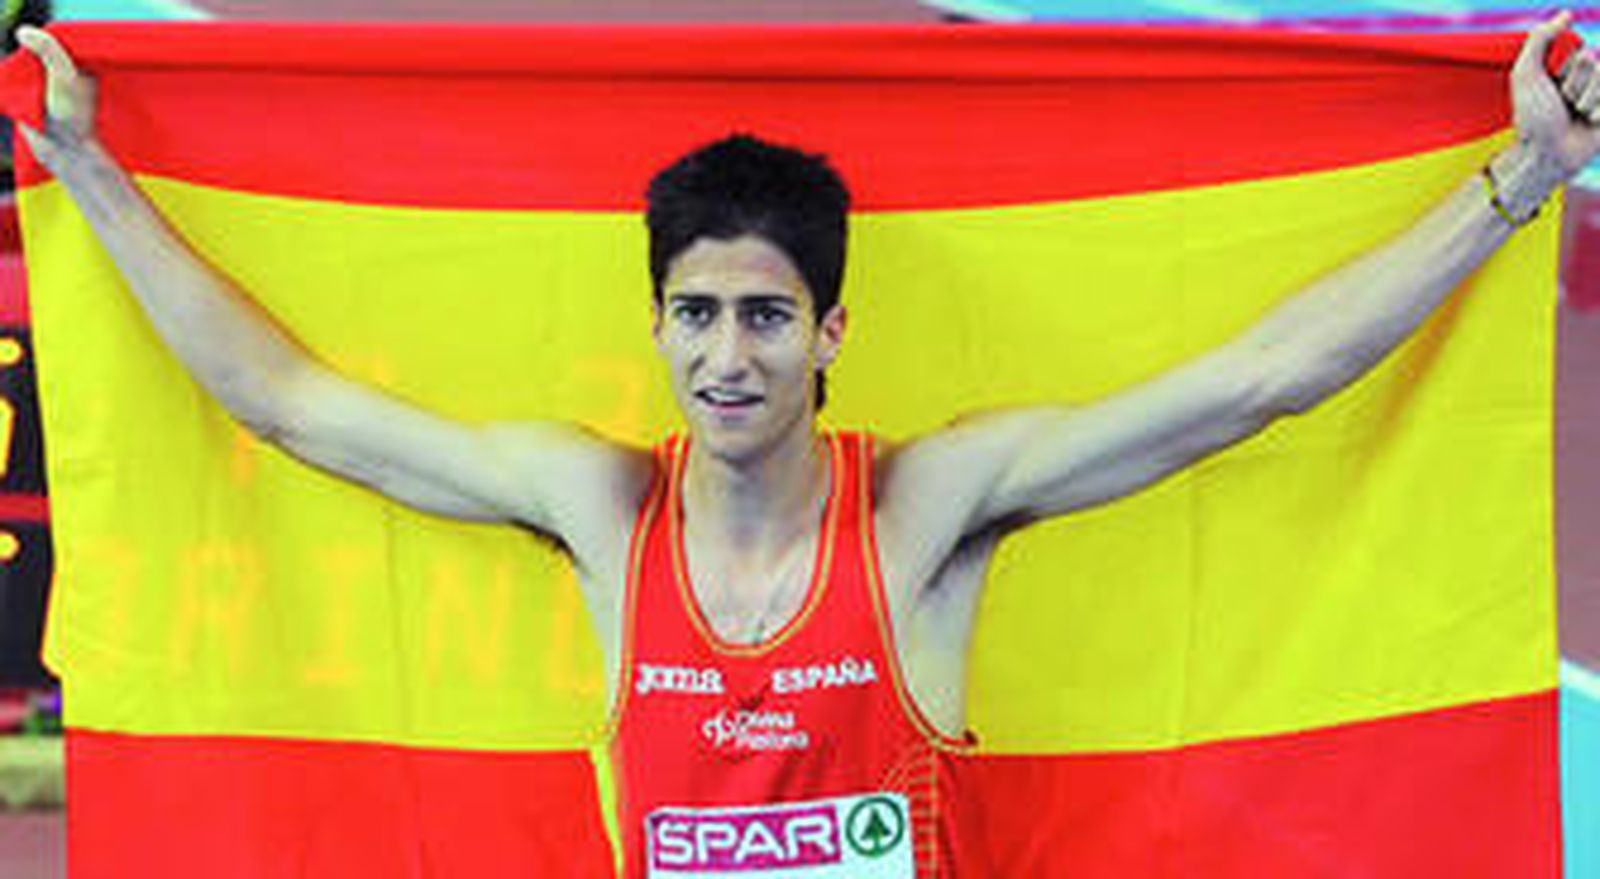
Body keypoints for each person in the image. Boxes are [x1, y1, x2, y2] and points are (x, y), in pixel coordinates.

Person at [13, 14, 1600, 877]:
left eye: (766, 316)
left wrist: (1520, 181)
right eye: (697, 316)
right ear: (657, 325)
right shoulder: (596, 508)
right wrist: (88, 170)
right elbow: (288, 403)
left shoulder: (928, 508)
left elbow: (1255, 382)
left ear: (831, 331)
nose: (729, 358)